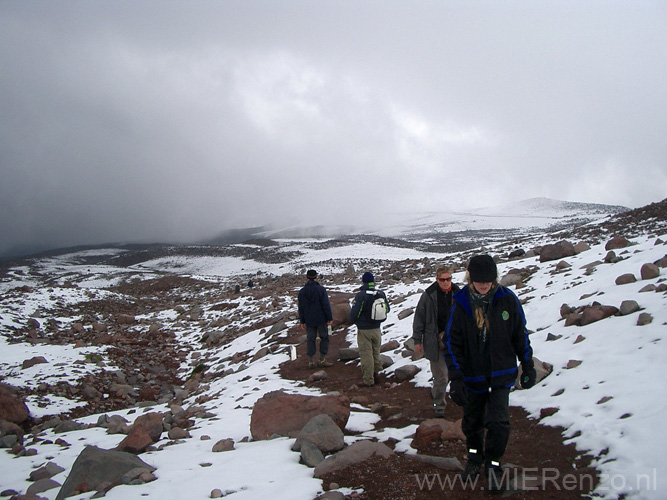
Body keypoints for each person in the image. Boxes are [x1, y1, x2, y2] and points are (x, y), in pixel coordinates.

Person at [444, 254, 537, 491]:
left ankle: (493, 464)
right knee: (472, 422)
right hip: (472, 376)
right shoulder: (461, 302)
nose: (484, 285)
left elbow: (520, 334)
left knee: (499, 422)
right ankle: (475, 459)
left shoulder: (507, 299)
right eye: (479, 280)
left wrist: (527, 366)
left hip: (501, 374)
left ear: (494, 278)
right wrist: (456, 379)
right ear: (470, 278)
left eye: (488, 280)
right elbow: (453, 344)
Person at [412, 265, 460, 417]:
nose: (446, 282)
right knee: (441, 377)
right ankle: (439, 405)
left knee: (456, 374)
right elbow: (419, 317)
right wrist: (417, 340)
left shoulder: (458, 293)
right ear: (437, 279)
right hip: (435, 341)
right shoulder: (429, 295)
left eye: (448, 279)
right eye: (442, 279)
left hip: (454, 341)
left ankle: (438, 393)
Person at [349, 271, 390, 387]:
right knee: (376, 352)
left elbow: (355, 313)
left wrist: (353, 321)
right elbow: (387, 309)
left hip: (364, 330)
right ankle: (376, 375)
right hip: (377, 328)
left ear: (363, 281)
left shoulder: (361, 295)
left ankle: (368, 379)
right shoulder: (380, 293)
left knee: (366, 354)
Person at [298, 269, 334, 368]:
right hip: (321, 318)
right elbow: (325, 305)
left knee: (310, 339)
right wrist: (329, 317)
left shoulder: (302, 291)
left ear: (306, 277)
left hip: (309, 320)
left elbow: (300, 307)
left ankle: (311, 361)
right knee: (324, 337)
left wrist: (302, 321)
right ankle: (322, 359)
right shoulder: (321, 290)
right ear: (316, 277)